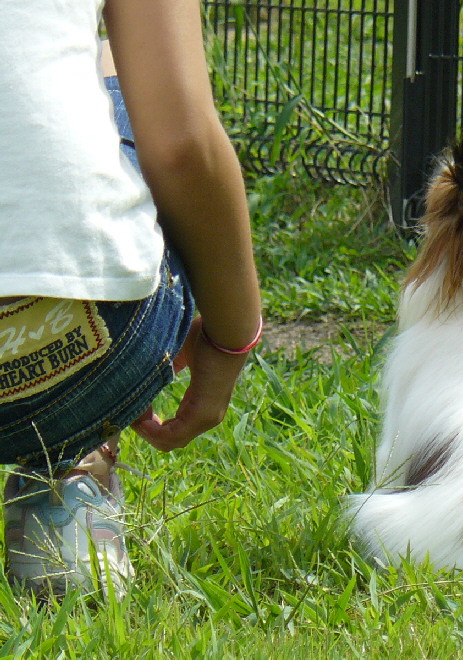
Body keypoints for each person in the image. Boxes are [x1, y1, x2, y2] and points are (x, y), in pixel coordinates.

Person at [0, 0, 262, 597]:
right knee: (121, 67)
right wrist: (232, 337)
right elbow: (182, 147)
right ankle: (68, 487)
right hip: (73, 357)